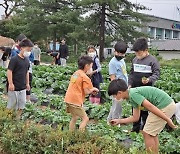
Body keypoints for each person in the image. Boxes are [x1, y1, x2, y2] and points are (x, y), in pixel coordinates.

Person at [108, 79, 177, 154]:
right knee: (152, 134)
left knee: (147, 133)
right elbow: (135, 117)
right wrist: (119, 121)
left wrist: (167, 119)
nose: (114, 98)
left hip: (164, 106)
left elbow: (150, 107)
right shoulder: (130, 96)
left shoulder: (133, 94)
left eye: (114, 96)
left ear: (119, 93)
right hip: (167, 105)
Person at [128, 37, 160, 133]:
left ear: (146, 50)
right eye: (136, 53)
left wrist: (150, 79)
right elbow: (131, 74)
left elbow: (157, 73)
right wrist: (129, 84)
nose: (137, 55)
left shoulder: (152, 61)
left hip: (146, 90)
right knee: (135, 109)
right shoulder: (134, 60)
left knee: (145, 110)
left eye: (139, 53)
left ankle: (145, 129)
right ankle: (135, 129)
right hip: (135, 89)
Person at [64, 55, 99, 131]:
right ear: (86, 66)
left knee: (75, 117)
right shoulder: (85, 77)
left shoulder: (76, 73)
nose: (91, 68)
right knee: (85, 119)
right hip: (75, 100)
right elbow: (86, 91)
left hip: (68, 98)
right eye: (90, 66)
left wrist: (91, 90)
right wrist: (93, 89)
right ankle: (80, 137)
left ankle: (70, 134)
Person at [7, 39, 34, 120]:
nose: (29, 52)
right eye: (28, 50)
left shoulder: (26, 60)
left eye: (30, 50)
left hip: (22, 86)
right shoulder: (14, 59)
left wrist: (27, 83)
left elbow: (26, 72)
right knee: (12, 104)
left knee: (22, 104)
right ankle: (7, 119)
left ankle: (17, 118)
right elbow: (9, 71)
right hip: (14, 86)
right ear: (22, 48)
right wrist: (11, 83)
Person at [107, 41, 128, 124]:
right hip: (118, 89)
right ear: (114, 51)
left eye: (121, 53)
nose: (119, 55)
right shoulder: (113, 63)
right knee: (116, 108)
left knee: (116, 107)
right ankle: (114, 123)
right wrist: (116, 91)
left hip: (123, 87)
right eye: (117, 53)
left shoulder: (122, 60)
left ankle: (110, 122)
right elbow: (113, 78)